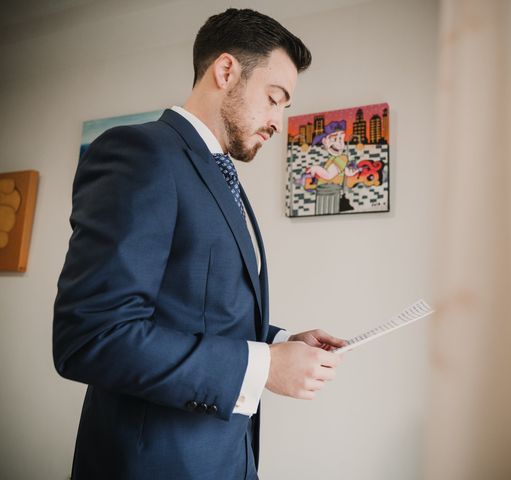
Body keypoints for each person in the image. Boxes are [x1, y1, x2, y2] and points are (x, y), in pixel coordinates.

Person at [53, 8, 347, 480]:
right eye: (274, 99)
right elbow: (92, 337)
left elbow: (192, 305)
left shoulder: (220, 174)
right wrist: (263, 366)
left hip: (226, 459)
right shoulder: (140, 154)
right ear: (226, 71)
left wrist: (280, 341)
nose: (278, 121)